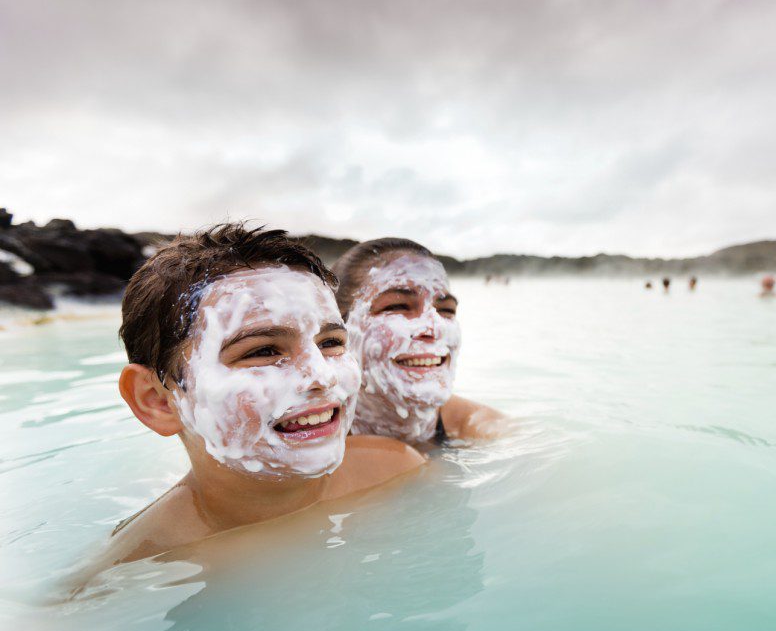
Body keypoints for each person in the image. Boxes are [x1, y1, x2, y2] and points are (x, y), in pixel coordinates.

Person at [86, 225, 424, 573]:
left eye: (331, 343)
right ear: (156, 401)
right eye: (264, 350)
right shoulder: (135, 569)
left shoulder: (399, 470)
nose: (323, 376)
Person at [332, 238, 504, 447]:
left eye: (446, 310)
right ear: (338, 333)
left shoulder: (492, 432)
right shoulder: (298, 449)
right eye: (398, 306)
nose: (434, 327)